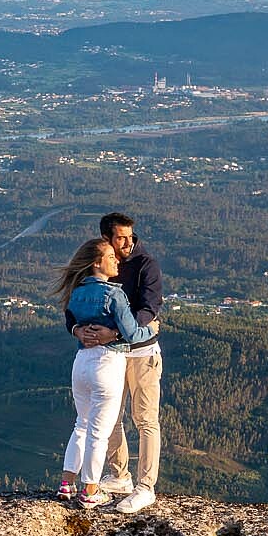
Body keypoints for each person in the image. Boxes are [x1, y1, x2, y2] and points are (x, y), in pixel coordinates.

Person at [50, 236, 151, 511]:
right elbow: (132, 333)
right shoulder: (114, 294)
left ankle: (67, 483)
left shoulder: (77, 292)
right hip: (108, 363)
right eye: (110, 257)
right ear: (97, 263)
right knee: (99, 433)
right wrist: (151, 329)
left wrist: (78, 331)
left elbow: (71, 319)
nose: (116, 260)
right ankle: (91, 491)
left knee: (81, 425)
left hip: (81, 361)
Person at [71, 212, 163, 513]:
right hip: (110, 356)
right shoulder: (101, 265)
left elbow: (151, 307)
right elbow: (73, 311)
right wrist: (77, 330)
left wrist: (117, 331)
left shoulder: (145, 265)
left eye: (131, 236)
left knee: (145, 419)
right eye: (121, 237)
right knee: (109, 419)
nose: (128, 242)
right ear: (107, 238)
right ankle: (119, 475)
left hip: (142, 352)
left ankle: (145, 487)